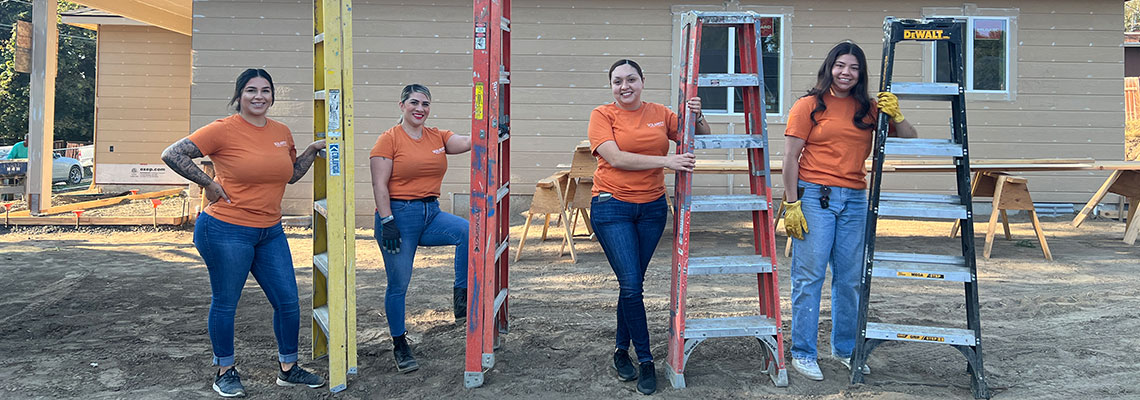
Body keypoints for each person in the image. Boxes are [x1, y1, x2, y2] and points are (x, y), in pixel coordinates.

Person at [161, 68, 327, 397]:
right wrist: (208, 182)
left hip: (270, 232)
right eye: (251, 90)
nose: (259, 96)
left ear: (272, 96)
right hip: (226, 230)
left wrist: (309, 152)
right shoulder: (223, 130)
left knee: (288, 301)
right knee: (226, 303)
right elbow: (173, 153)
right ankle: (225, 371)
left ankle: (288, 368)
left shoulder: (281, 131)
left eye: (265, 90)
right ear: (239, 96)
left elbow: (290, 175)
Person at [781, 41, 917, 381]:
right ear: (829, 67)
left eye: (854, 68)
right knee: (809, 277)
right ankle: (803, 352)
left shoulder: (869, 108)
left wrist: (897, 116)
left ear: (861, 73)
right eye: (841, 65)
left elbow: (909, 139)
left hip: (855, 199)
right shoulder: (808, 105)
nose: (846, 73)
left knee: (850, 280)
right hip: (815, 197)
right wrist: (791, 202)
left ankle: (844, 349)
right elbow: (788, 158)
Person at [588, 59, 709, 395]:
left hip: (653, 209)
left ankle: (618, 350)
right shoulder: (602, 115)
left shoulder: (661, 113)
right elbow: (616, 158)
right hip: (611, 206)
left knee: (632, 285)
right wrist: (667, 161)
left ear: (643, 81)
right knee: (631, 284)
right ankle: (645, 361)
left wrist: (697, 115)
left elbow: (698, 136)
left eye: (631, 79)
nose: (624, 86)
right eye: (617, 81)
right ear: (611, 86)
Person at [369, 83, 472, 373]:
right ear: (402, 105)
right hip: (398, 217)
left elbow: (465, 142)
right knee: (399, 284)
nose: (420, 109)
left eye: (425, 104)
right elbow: (379, 184)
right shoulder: (388, 140)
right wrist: (387, 220)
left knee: (468, 232)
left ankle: (461, 298)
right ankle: (399, 343)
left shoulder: (437, 136)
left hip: (431, 213)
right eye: (414, 102)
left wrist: (489, 134)